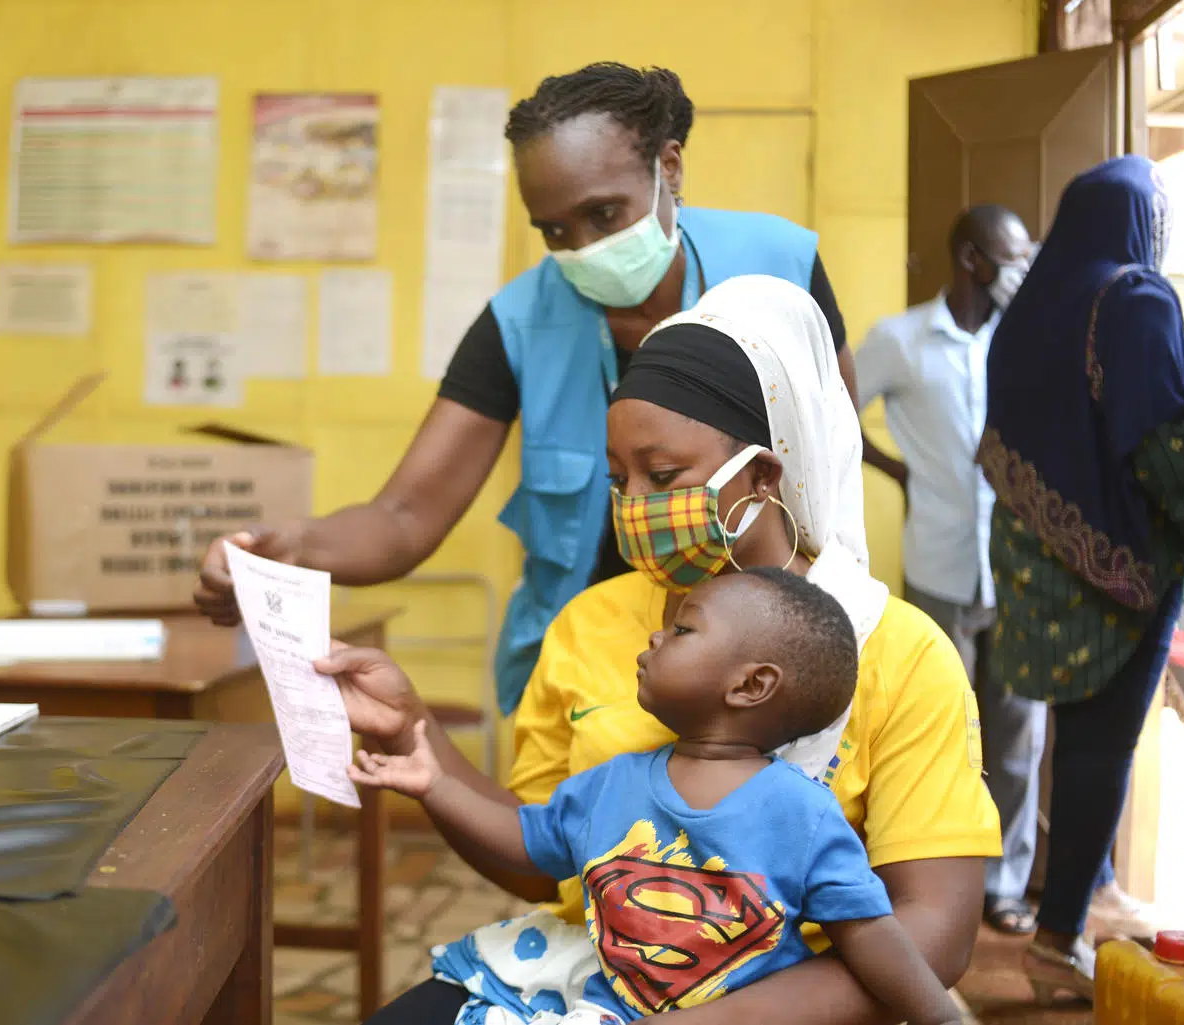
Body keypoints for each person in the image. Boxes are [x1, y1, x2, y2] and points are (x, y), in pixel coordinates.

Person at [317, 275, 1000, 1025]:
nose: (635, 505)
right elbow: (542, 858)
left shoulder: (900, 654)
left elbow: (935, 934)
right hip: (590, 976)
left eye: (664, 475)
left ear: (761, 476)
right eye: (620, 480)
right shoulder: (590, 623)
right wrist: (413, 731)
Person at [196, 63, 860, 717]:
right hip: (589, 668)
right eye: (554, 231)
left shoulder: (779, 265)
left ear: (670, 167)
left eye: (604, 213)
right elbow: (403, 517)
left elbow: (833, 468)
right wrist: (285, 548)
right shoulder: (517, 323)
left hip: (770, 648)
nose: (584, 248)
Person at [350, 569, 961, 1025]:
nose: (655, 635)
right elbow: (526, 843)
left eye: (683, 629)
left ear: (751, 685)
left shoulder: (803, 814)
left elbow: (869, 935)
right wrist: (435, 785)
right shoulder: (612, 783)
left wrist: (941, 1018)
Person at [978, 154, 1184, 1002]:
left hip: (1035, 565)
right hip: (1121, 572)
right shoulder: (1136, 298)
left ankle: (1089, 891)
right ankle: (1056, 941)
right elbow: (1158, 447)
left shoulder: (1032, 305)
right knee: (1100, 750)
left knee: (1067, 739)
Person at [854, 205, 1046, 937]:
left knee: (1019, 733)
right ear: (970, 258)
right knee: (939, 733)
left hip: (1018, 570)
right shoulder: (900, 339)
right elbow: (836, 412)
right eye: (1011, 256)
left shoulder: (1025, 338)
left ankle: (1006, 885)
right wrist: (897, 470)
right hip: (938, 561)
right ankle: (934, 886)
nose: (1022, 269)